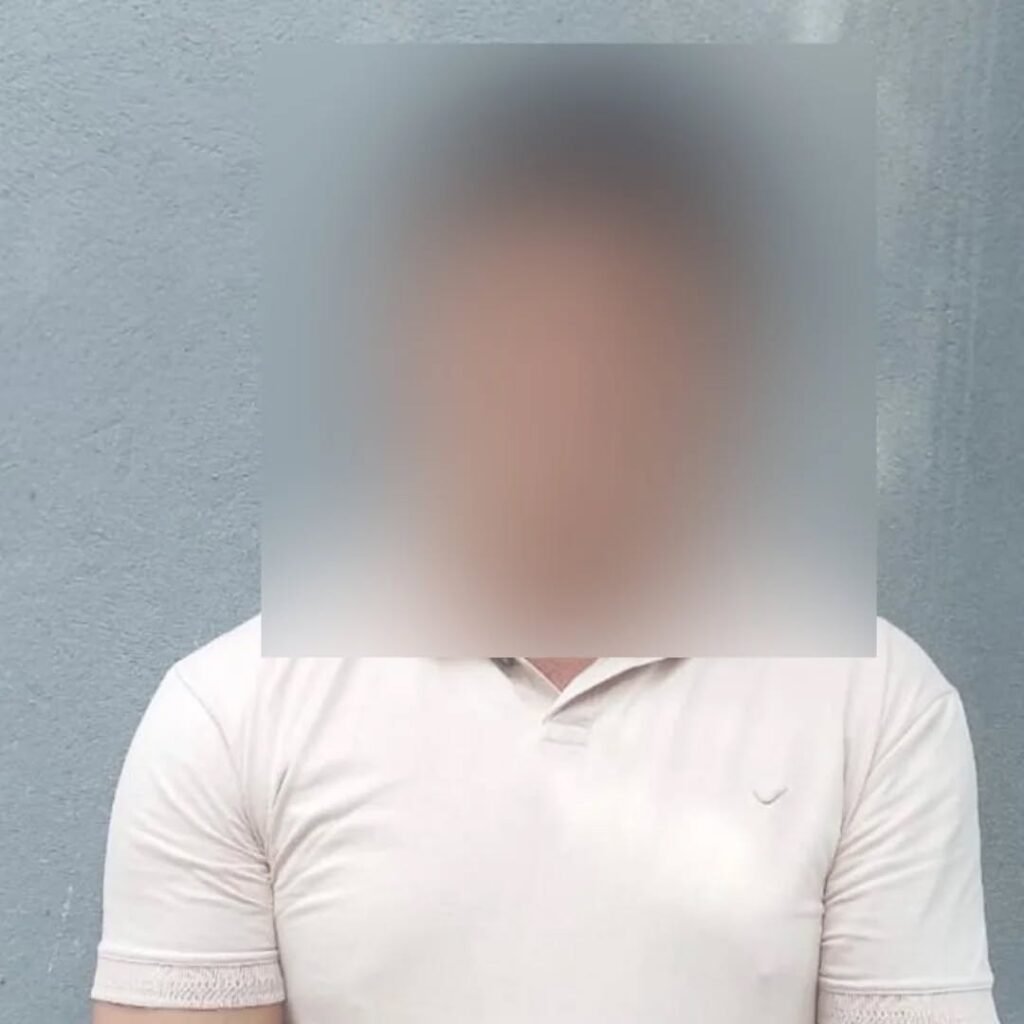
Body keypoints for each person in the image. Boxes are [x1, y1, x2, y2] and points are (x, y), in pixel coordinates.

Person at [91, 65, 1000, 1024]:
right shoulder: (230, 713)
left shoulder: (877, 704)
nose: (569, 376)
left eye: (627, 321)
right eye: (514, 319)